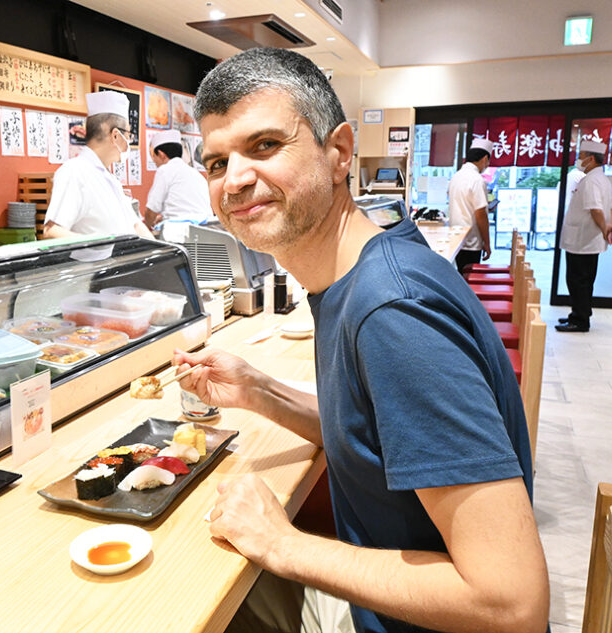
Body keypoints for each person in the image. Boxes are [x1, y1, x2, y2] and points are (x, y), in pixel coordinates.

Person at [175, 47, 549, 633]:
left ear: (338, 153)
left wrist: (283, 544)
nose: (237, 179)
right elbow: (372, 436)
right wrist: (258, 390)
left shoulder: (393, 312)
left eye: (265, 146)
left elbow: (511, 603)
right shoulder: (364, 269)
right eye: (217, 162)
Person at [42, 91, 153, 240]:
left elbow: (135, 225)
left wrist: (161, 250)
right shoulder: (74, 171)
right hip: (95, 263)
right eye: (128, 135)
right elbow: (52, 231)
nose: (129, 141)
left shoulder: (110, 179)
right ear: (115, 135)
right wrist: (99, 244)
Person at [556, 139, 612, 333]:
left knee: (577, 281)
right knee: (586, 280)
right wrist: (608, 227)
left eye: (580, 156)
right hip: (589, 241)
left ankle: (580, 320)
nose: (578, 160)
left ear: (590, 158)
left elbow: (596, 209)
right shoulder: (603, 179)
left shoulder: (590, 180)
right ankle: (579, 314)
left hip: (582, 241)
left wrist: (605, 228)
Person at [144, 129, 213, 229]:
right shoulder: (195, 173)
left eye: (153, 156)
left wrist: (146, 228)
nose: (154, 162)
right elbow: (187, 207)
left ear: (161, 154)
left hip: (180, 234)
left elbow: (151, 210)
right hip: (207, 230)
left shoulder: (165, 170)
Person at [447, 138, 493, 272]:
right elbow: (480, 215)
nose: (488, 165)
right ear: (484, 158)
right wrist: (487, 243)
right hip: (471, 241)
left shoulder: (456, 176)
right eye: (488, 161)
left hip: (456, 239)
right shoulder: (477, 180)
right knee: (468, 279)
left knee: (461, 275)